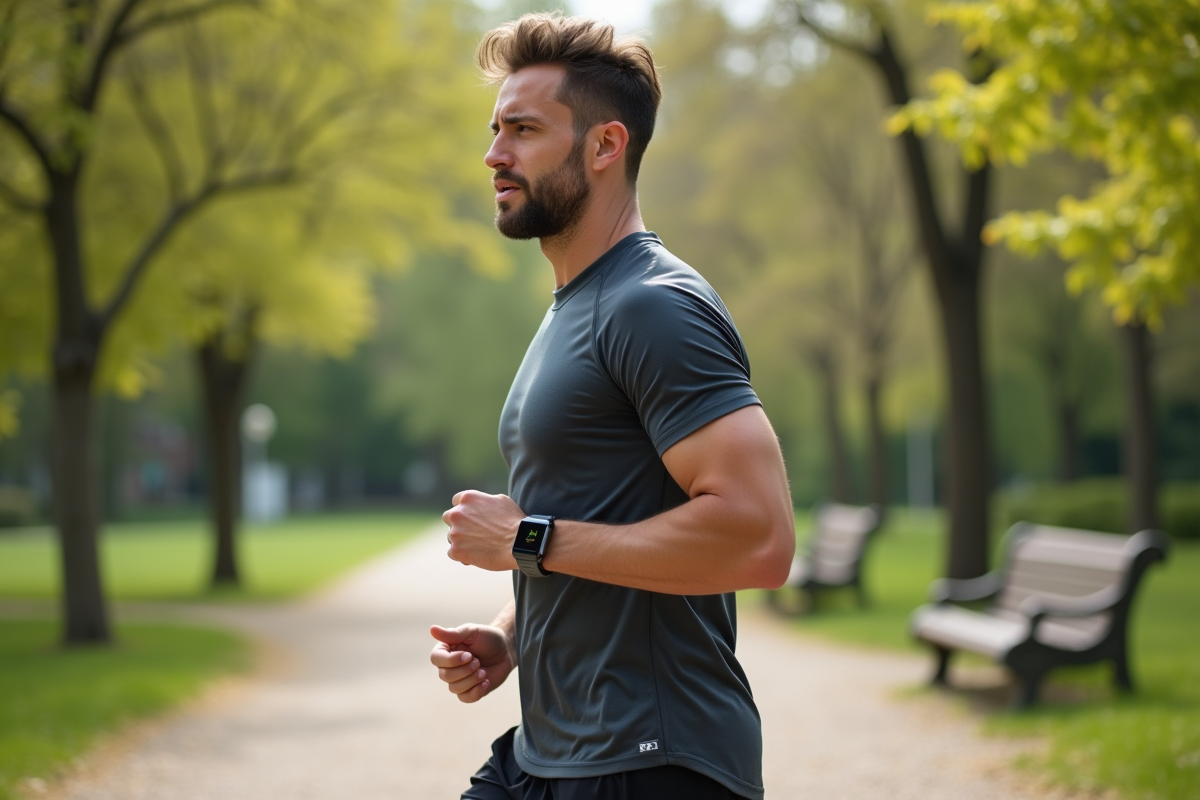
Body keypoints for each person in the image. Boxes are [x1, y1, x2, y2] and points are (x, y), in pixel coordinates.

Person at [430, 12, 795, 800]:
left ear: (605, 145)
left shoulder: (652, 306)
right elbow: (602, 519)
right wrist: (509, 633)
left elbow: (760, 536)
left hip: (653, 760)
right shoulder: (574, 308)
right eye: (496, 129)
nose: (494, 154)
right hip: (551, 751)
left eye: (524, 130)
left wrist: (525, 537)